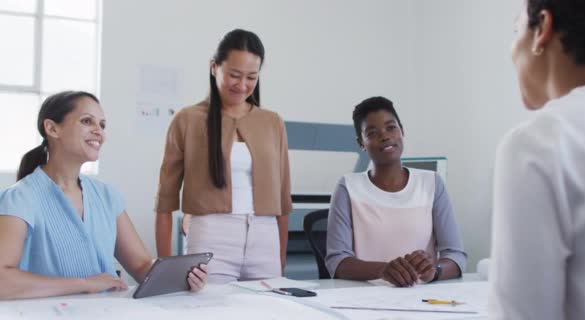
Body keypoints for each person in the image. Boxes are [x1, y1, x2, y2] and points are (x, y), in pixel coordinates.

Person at [0, 91, 207, 300]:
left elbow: (142, 266)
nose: (98, 131)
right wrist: (84, 284)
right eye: (87, 121)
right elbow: (3, 280)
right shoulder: (19, 198)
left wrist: (183, 276)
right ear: (52, 128)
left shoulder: (107, 196)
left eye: (102, 125)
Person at [489, 0, 585, 319]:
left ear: (542, 28)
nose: (513, 50)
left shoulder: (538, 143)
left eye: (517, 31)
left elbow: (523, 313)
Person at [155, 29, 292, 284]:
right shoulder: (187, 119)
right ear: (214, 67)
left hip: (265, 238)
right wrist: (164, 273)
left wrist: (280, 260)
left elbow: (283, 202)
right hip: (210, 236)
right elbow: (165, 202)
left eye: (251, 77)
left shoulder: (273, 122)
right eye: (234, 75)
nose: (242, 85)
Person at [325, 96, 466, 287]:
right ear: (361, 143)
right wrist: (383, 270)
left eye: (391, 127)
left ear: (402, 131)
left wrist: (435, 271)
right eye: (372, 132)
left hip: (423, 297)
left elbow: (456, 256)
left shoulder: (431, 183)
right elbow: (337, 261)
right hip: (365, 298)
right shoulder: (348, 187)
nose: (385, 136)